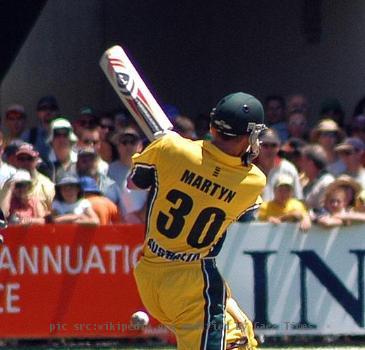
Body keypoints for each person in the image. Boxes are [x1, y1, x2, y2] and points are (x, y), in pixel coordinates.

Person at [128, 92, 266, 349]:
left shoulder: (171, 148)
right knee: (236, 340)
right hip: (193, 281)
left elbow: (134, 183)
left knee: (243, 336)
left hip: (150, 274)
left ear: (212, 126)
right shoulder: (253, 181)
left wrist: (165, 148)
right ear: (250, 136)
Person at [108, 127, 147, 223]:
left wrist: (140, 215)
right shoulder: (109, 170)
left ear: (140, 146)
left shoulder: (149, 168)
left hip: (146, 224)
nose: (128, 146)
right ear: (118, 146)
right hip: (121, 225)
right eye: (124, 142)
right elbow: (109, 199)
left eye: (132, 142)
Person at [255, 128, 303, 201]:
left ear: (279, 147)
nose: (269, 149)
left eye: (273, 145)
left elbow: (298, 198)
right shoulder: (249, 168)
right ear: (257, 145)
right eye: (265, 145)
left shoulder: (288, 169)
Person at [21, 95, 59, 161]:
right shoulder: (29, 135)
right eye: (43, 108)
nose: (48, 111)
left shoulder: (65, 133)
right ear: (38, 113)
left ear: (57, 112)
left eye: (52, 108)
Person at [300, 144, 335, 213]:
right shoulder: (306, 182)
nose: (300, 164)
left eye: (302, 161)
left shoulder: (327, 182)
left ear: (310, 163)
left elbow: (324, 212)